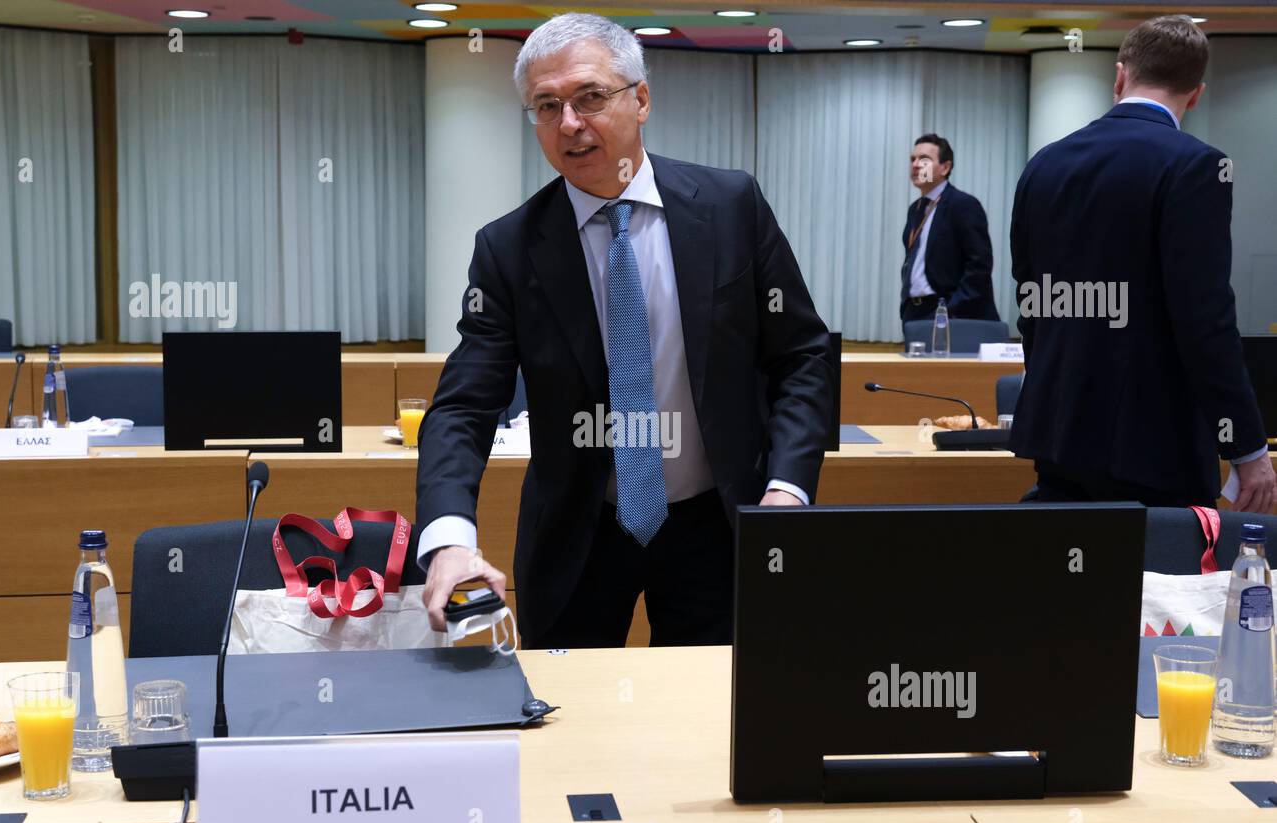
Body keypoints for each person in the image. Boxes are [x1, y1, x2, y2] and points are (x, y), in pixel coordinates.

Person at [415, 14, 834, 648]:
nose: (570, 124)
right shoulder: (509, 248)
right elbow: (463, 405)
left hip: (718, 524)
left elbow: (801, 356)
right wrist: (448, 540)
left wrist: (787, 490)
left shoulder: (729, 208)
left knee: (710, 724)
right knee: (567, 726)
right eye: (547, 106)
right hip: (578, 533)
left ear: (640, 99)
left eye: (590, 97)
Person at [1009, 15, 1275, 513]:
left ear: (1119, 76)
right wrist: (1247, 447)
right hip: (1153, 445)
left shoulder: (1043, 163)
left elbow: (1032, 305)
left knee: (1072, 583)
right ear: (1196, 93)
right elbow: (1205, 319)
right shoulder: (1196, 165)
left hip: (1057, 435)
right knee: (1158, 589)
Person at [900, 134, 999, 325]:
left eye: (924, 160)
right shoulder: (915, 209)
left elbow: (979, 267)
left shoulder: (963, 205)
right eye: (913, 159)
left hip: (953, 314)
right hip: (915, 313)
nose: (915, 165)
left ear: (945, 167)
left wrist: (948, 312)